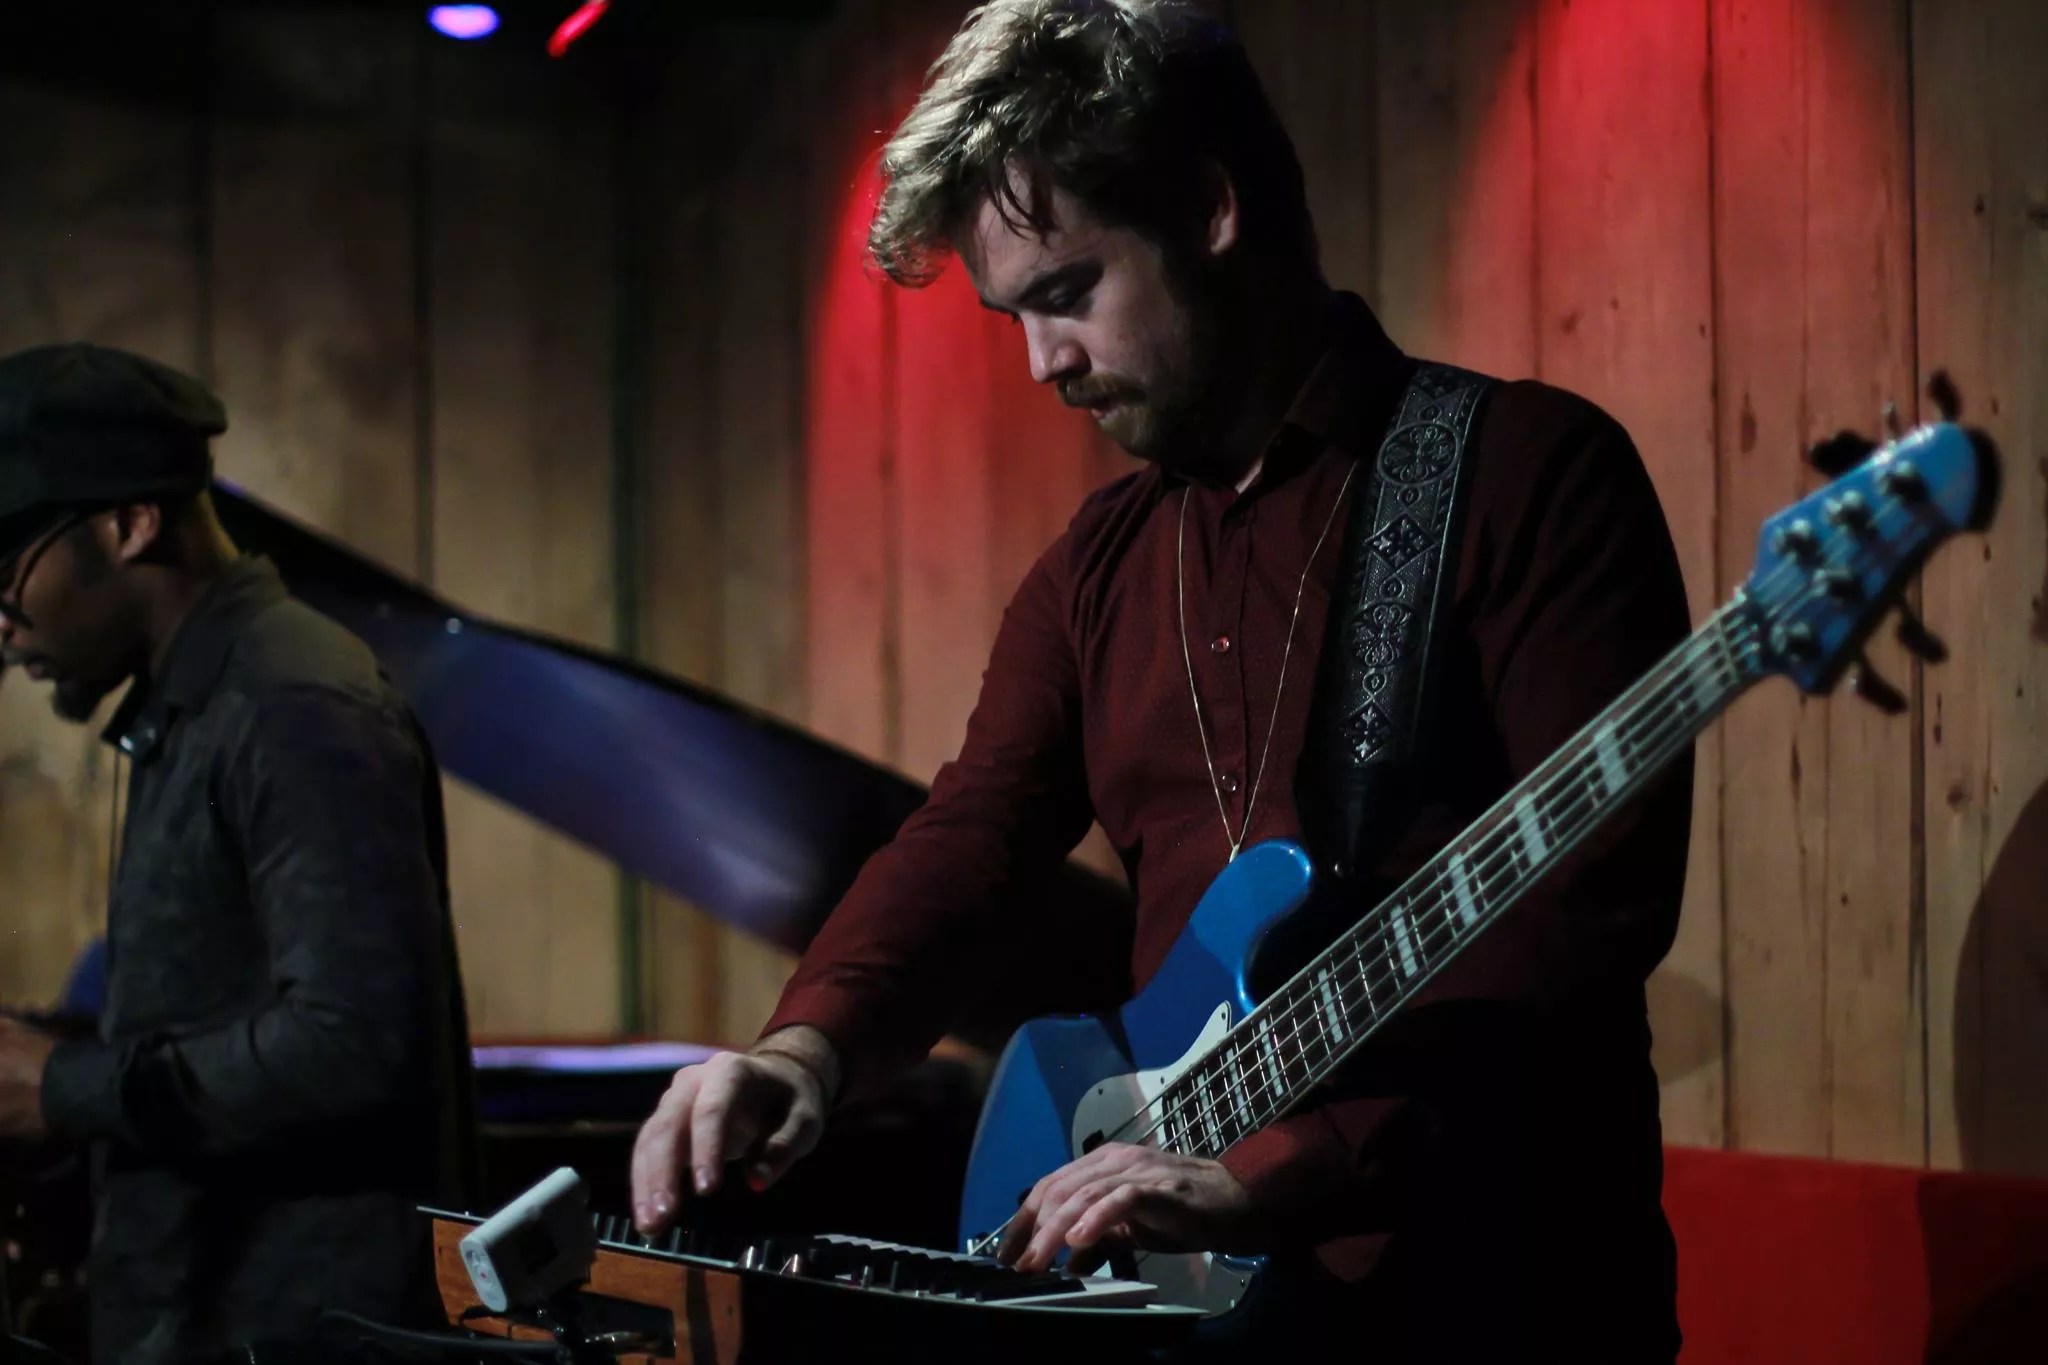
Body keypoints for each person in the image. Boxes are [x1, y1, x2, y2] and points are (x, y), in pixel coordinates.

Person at [631, 1, 1694, 1358]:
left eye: (1067, 293)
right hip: (1201, 1306)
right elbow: (972, 834)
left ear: (1207, 208)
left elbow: (1588, 908)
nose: (1043, 363)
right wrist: (807, 1051)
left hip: (1497, 1286)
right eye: (1015, 317)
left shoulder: (1523, 475)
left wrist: (1276, 1168)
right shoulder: (1098, 568)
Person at [0, 343, 476, 1364]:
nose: (1, 625)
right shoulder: (208, 700)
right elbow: (224, 1013)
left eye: (5, 569)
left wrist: (65, 1087)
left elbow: (355, 1047)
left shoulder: (291, 704)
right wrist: (49, 1050)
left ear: (128, 525)